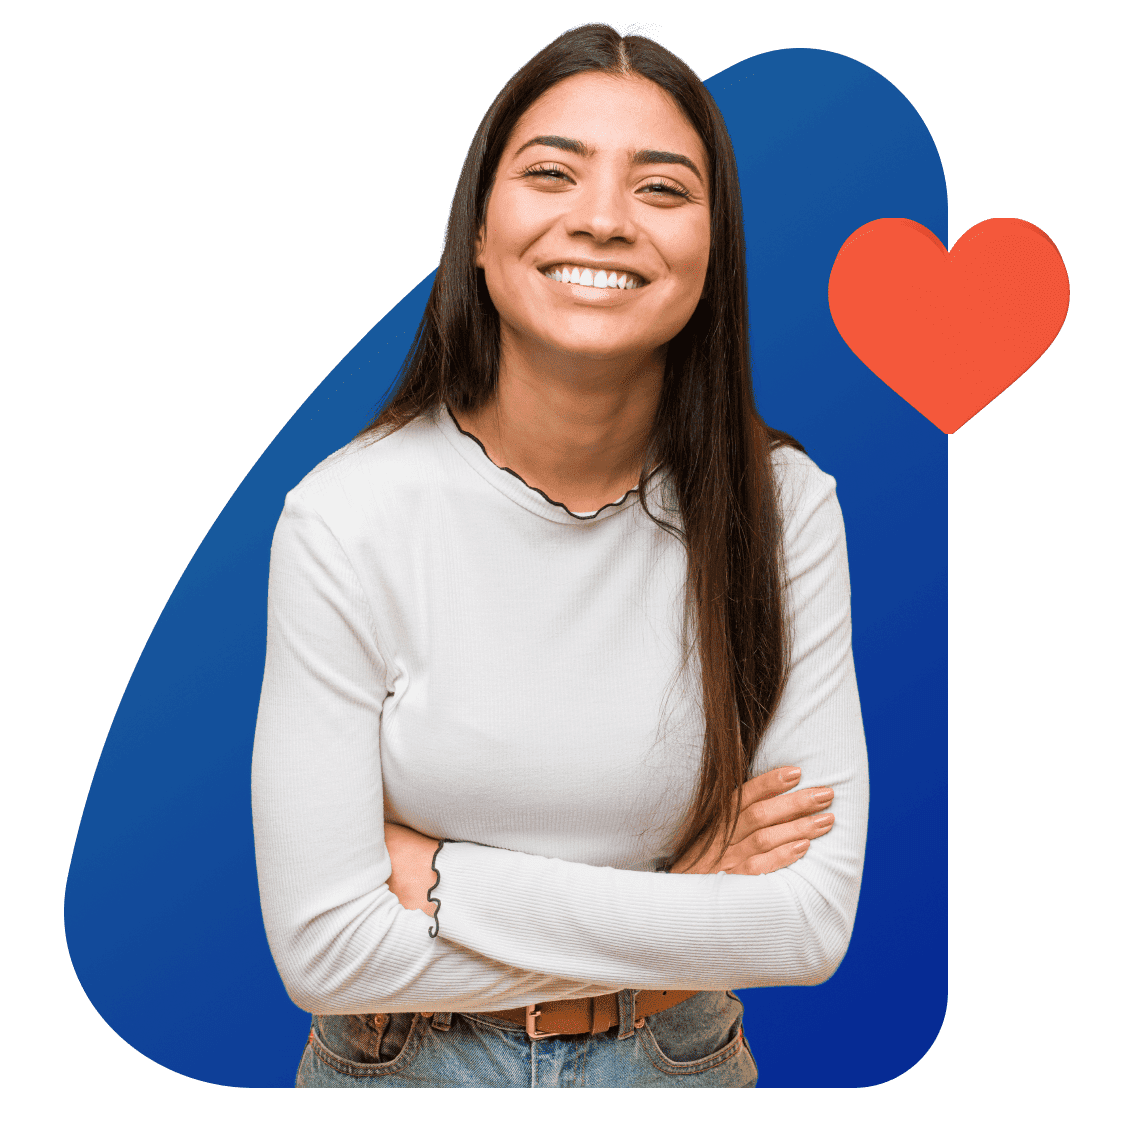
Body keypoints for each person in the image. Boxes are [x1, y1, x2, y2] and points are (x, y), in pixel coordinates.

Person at [252, 23, 869, 1088]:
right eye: (551, 174)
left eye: (661, 189)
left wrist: (441, 875)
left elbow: (802, 925)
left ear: (711, 251)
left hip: (677, 1062)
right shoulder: (344, 517)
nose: (602, 219)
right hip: (398, 1066)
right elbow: (322, 950)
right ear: (479, 237)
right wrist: (689, 895)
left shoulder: (783, 509)